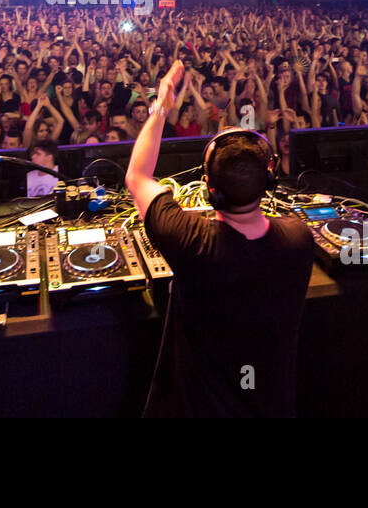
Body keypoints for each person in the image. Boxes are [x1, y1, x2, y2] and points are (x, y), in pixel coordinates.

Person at [125, 60, 314, 418]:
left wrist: (162, 104)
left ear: (210, 192)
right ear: (268, 183)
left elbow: (137, 175)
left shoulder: (190, 240)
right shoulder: (299, 238)